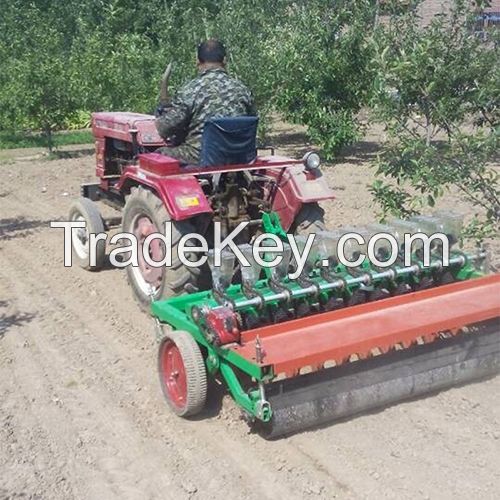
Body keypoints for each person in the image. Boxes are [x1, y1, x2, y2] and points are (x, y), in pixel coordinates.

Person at [155, 39, 256, 164]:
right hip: (240, 156)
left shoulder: (189, 90)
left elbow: (165, 129)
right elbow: (251, 120)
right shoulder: (243, 89)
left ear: (197, 61)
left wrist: (162, 116)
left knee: (155, 155)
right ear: (224, 61)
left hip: (199, 156)